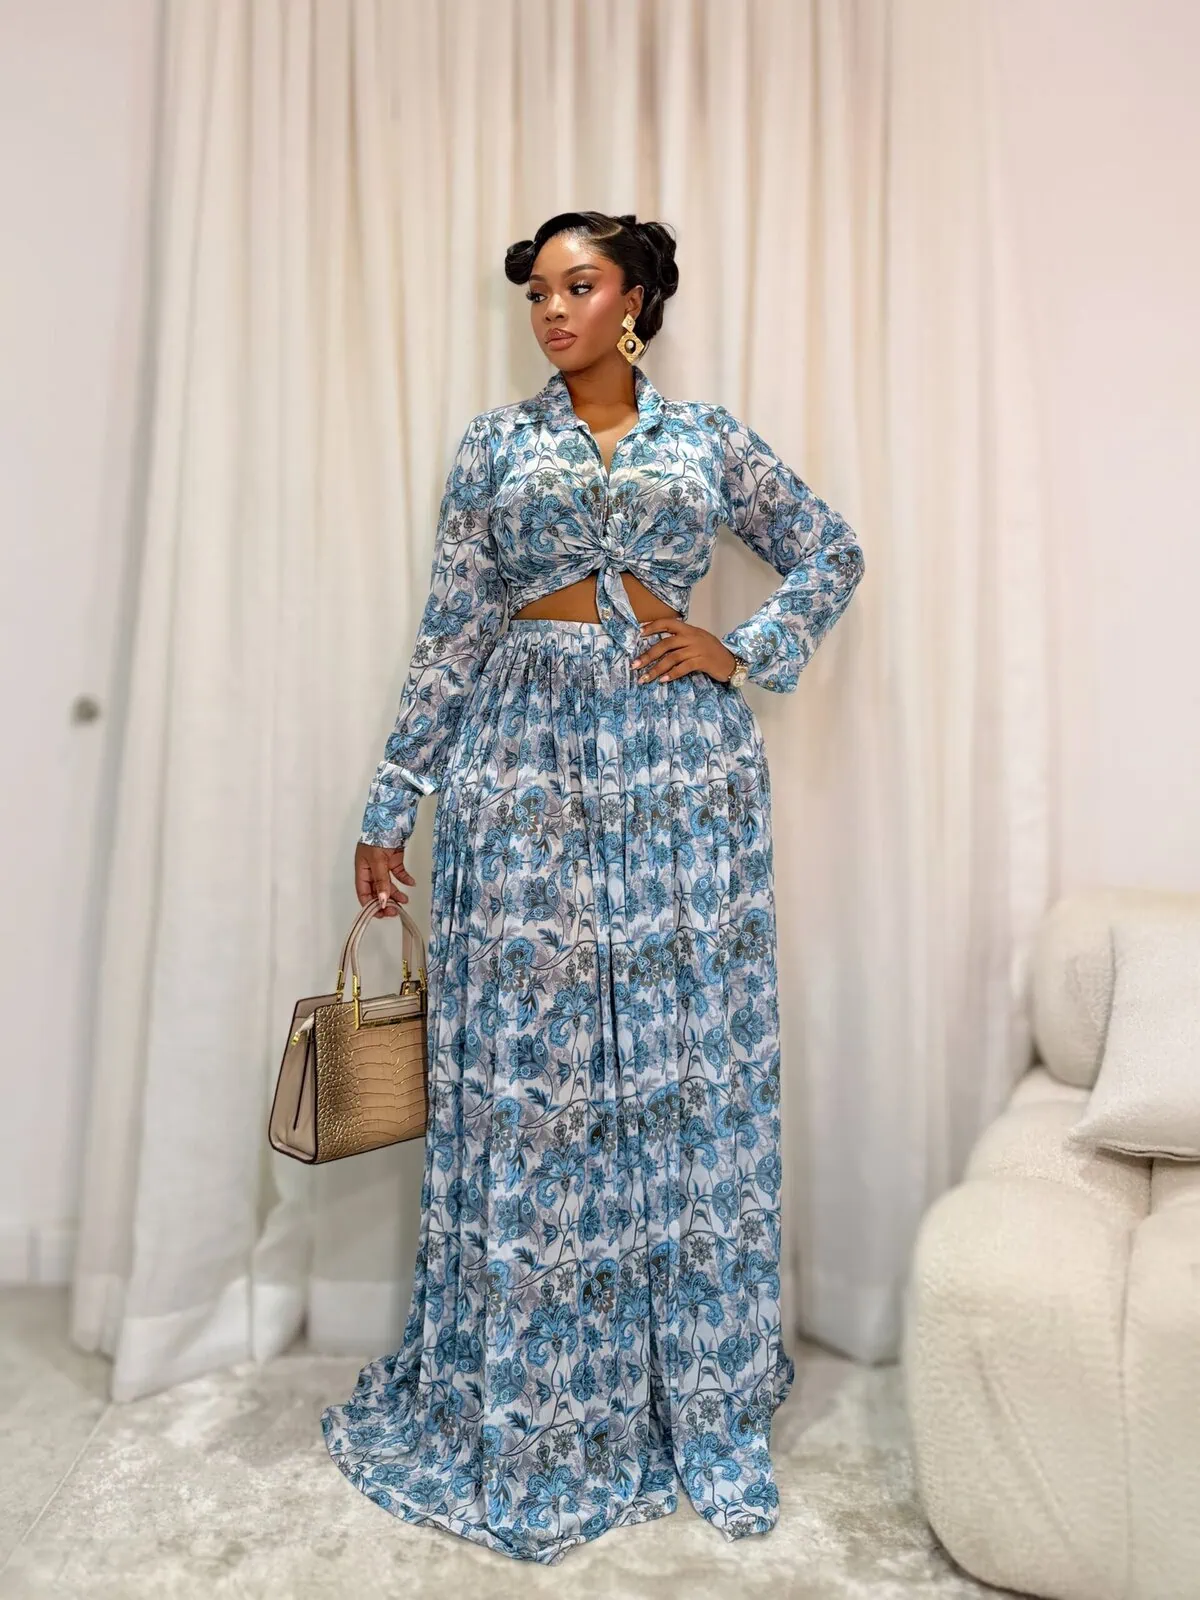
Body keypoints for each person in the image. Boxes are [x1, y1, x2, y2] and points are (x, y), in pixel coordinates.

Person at [320, 209, 865, 1566]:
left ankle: (697, 1398)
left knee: (682, 1071)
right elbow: (451, 632)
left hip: (682, 769)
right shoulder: (496, 447)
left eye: (579, 286)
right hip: (520, 760)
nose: (552, 311)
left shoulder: (710, 440)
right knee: (538, 1078)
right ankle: (541, 1406)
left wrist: (739, 647)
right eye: (537, 293)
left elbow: (831, 551)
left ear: (634, 302)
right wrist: (392, 801)